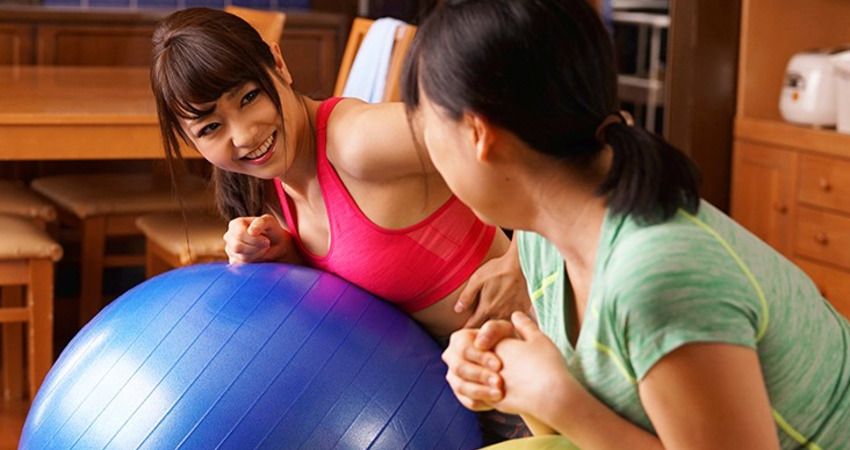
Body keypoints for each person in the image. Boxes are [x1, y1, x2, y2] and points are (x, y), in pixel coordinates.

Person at [401, 0, 850, 449]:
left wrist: (557, 397)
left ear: (479, 133)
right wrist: (510, 378)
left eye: (428, 129)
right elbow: (591, 429)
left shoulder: (658, 277)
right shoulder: (544, 238)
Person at [149, 8, 532, 442]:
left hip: (527, 379)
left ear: (278, 64)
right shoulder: (269, 186)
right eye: (211, 127)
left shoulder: (358, 143)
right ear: (190, 141)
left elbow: (526, 128)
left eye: (249, 97)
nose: (244, 134)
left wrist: (522, 263)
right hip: (439, 400)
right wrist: (287, 259)